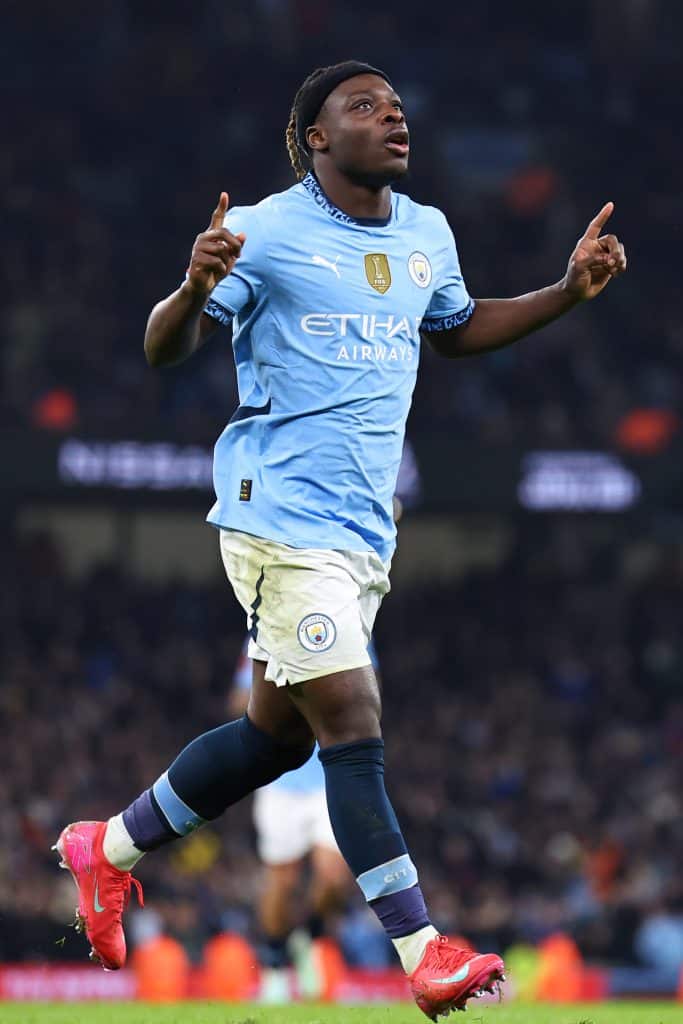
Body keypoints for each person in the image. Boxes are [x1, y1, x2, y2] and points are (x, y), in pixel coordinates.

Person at [54, 60, 626, 1019]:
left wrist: (566, 290)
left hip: (363, 533)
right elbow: (161, 347)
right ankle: (421, 949)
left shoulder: (426, 234)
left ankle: (104, 850)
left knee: (273, 740)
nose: (391, 116)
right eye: (363, 107)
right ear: (315, 138)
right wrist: (192, 290)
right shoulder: (266, 231)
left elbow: (454, 328)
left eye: (397, 105)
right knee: (351, 726)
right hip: (277, 518)